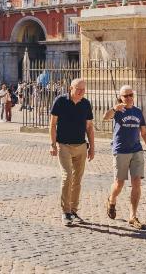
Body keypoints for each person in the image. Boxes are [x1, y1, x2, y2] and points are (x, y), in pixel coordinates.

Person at [103, 85, 146, 230]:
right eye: (125, 96)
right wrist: (114, 109)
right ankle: (112, 199)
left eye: (131, 95)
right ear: (120, 97)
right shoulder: (118, 111)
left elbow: (144, 132)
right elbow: (105, 118)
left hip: (136, 150)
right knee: (119, 184)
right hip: (120, 150)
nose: (128, 98)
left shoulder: (138, 112)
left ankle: (132, 216)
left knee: (136, 183)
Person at [49, 78, 95, 227]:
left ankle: (74, 210)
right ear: (70, 88)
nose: (81, 92)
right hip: (64, 145)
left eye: (83, 89)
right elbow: (52, 124)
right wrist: (53, 145)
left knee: (77, 180)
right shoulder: (60, 101)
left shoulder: (86, 103)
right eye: (78, 89)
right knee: (67, 176)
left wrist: (92, 147)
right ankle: (66, 211)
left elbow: (89, 127)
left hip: (81, 146)